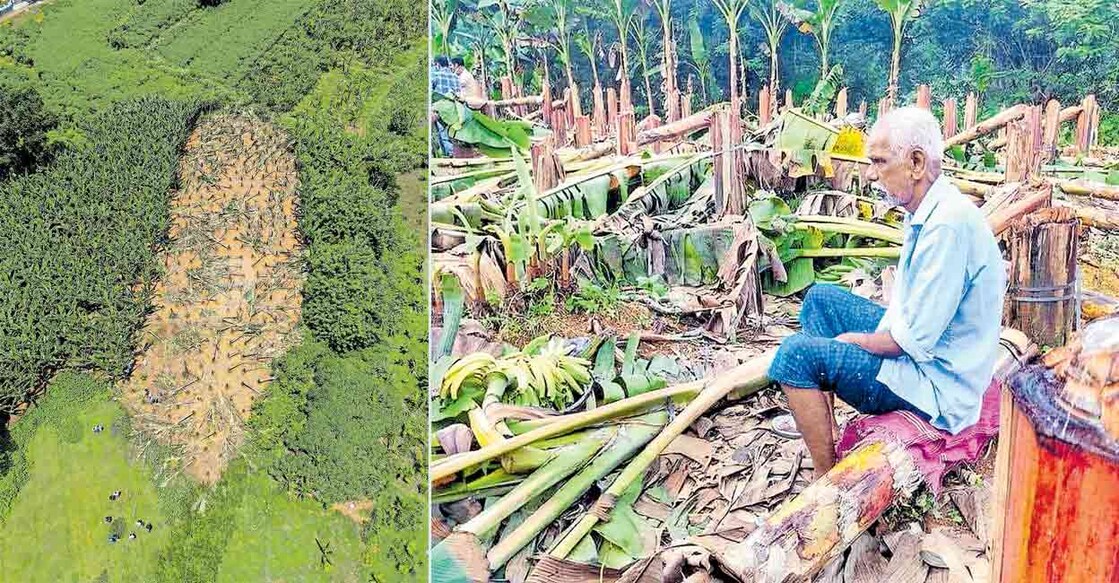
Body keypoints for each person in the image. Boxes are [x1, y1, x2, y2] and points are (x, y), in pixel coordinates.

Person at [767, 106, 1005, 477]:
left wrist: (854, 342)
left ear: (915, 162)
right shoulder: (932, 209)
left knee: (794, 357)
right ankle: (823, 425)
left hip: (937, 385)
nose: (872, 174)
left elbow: (913, 342)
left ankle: (825, 476)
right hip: (928, 354)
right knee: (819, 299)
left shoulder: (946, 228)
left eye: (879, 162)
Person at [430, 55, 461, 158]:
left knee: (443, 134)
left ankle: (449, 155)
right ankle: (455, 153)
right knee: (453, 133)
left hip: (441, 109)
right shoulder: (456, 77)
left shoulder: (435, 75)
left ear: (437, 64)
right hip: (455, 110)